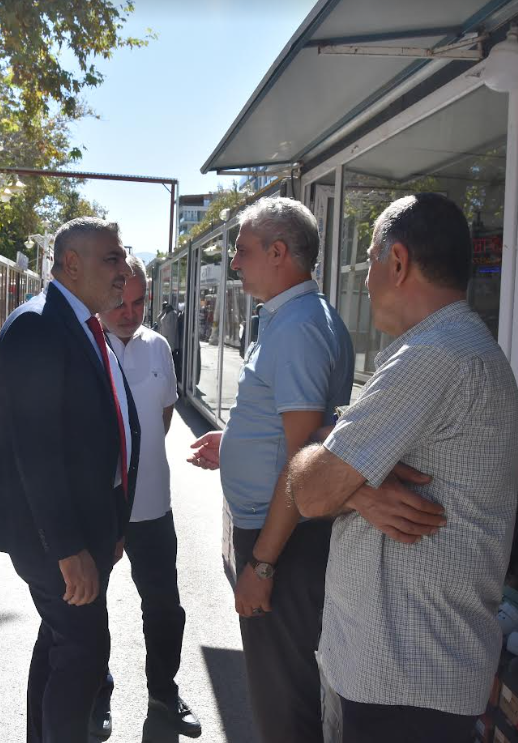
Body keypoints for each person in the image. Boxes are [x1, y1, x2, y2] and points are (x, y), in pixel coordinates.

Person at [285, 193, 518, 743]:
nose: (366, 280)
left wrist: (342, 483)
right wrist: (357, 489)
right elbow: (327, 468)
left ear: (397, 261)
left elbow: (311, 489)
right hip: (407, 672)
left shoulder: (433, 355)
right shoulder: (454, 347)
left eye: (369, 259)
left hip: (403, 679)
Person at [187, 196, 353, 743]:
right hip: (279, 532)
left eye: (243, 250)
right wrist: (236, 441)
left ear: (278, 252)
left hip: (281, 540)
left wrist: (261, 564)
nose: (235, 262)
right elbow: (288, 430)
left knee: (283, 699)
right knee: (282, 689)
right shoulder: (294, 317)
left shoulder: (299, 327)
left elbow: (303, 457)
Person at [0, 217, 141, 743]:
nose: (123, 271)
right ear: (71, 264)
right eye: (112, 259)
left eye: (122, 258)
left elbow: (102, 433)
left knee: (61, 645)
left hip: (87, 528)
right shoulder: (39, 327)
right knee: (84, 655)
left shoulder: (80, 324)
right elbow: (37, 452)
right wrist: (69, 549)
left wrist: (113, 523)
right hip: (55, 540)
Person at [91, 256, 201, 740]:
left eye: (139, 302)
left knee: (164, 607)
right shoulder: (85, 345)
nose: (129, 312)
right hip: (99, 509)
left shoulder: (158, 347)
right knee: (89, 608)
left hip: (153, 505)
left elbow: (163, 418)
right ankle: (96, 693)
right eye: (120, 301)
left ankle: (163, 692)